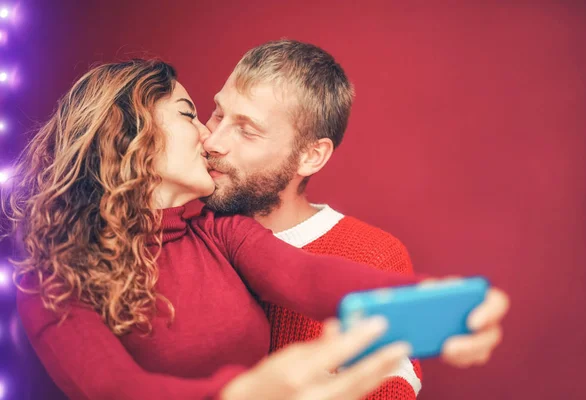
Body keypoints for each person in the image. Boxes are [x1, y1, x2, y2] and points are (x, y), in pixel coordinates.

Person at [2, 59, 508, 400]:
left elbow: (309, 279)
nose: (209, 135)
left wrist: (448, 303)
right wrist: (249, 392)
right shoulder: (49, 283)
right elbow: (117, 390)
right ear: (128, 135)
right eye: (194, 113)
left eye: (238, 126)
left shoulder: (217, 230)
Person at [201, 39, 506, 398]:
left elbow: (393, 379)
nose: (212, 142)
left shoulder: (374, 254)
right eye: (218, 114)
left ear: (311, 157)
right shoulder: (180, 230)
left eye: (247, 130)